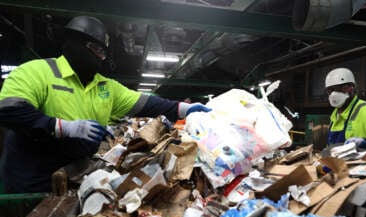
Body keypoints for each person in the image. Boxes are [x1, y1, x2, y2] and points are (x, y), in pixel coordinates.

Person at [0, 16, 210, 193]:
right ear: (72, 43)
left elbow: (147, 103)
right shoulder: (37, 71)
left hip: (75, 173)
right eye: (94, 49)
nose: (99, 57)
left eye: (102, 52)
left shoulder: (106, 87)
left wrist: (184, 109)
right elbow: (9, 110)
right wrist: (61, 127)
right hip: (29, 178)